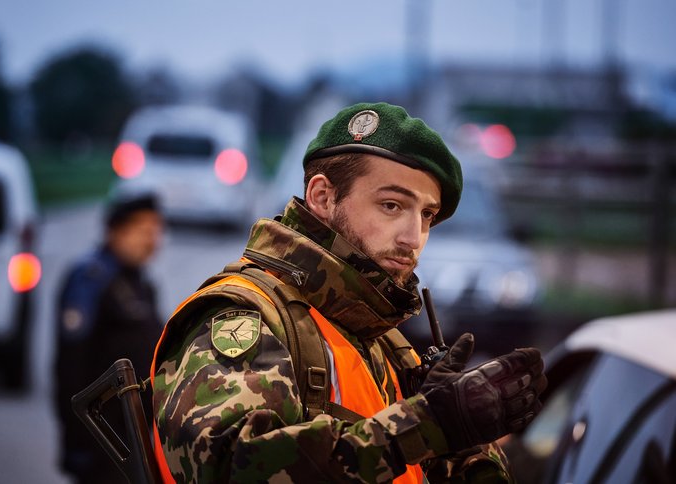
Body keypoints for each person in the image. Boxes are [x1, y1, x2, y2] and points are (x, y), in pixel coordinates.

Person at [151, 102, 547, 483]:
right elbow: (227, 468)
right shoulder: (246, 318)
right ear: (322, 197)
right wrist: (425, 427)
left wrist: (463, 445)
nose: (414, 238)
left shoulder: (376, 335)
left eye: (427, 215)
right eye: (392, 205)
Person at [54, 192, 164, 484]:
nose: (152, 240)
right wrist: (80, 441)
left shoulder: (137, 281)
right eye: (144, 231)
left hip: (130, 435)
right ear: (116, 231)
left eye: (156, 230)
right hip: (101, 436)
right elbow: (71, 368)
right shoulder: (91, 280)